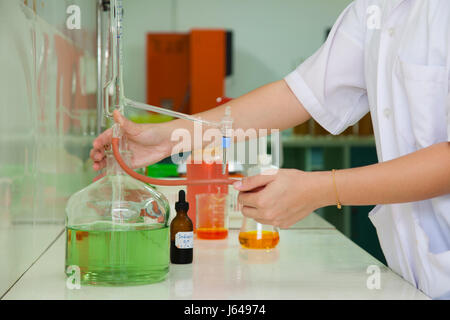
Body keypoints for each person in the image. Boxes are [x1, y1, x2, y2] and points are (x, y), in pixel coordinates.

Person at [91, 0, 450, 299]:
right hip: (416, 279)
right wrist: (168, 139)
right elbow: (298, 95)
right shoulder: (377, 8)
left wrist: (321, 189)